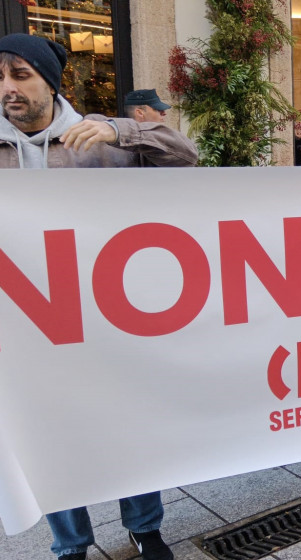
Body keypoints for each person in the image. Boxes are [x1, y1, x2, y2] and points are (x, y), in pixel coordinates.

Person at [0, 33, 197, 560]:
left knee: (128, 424)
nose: (8, 89)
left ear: (50, 81)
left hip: (109, 321)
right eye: (0, 78)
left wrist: (122, 128)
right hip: (28, 328)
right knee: (48, 437)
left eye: (20, 75)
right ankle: (71, 543)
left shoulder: (100, 138)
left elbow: (187, 157)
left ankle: (144, 527)